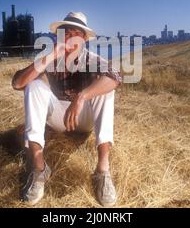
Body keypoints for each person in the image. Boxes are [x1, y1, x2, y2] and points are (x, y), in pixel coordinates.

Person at [12, 11, 122, 206]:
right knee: (34, 85)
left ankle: (102, 171)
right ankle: (39, 169)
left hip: (84, 118)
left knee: (105, 90)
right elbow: (17, 83)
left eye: (75, 34)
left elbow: (115, 77)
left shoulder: (92, 59)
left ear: (84, 39)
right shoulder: (49, 59)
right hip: (58, 118)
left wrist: (82, 96)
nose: (70, 39)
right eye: (65, 34)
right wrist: (50, 55)